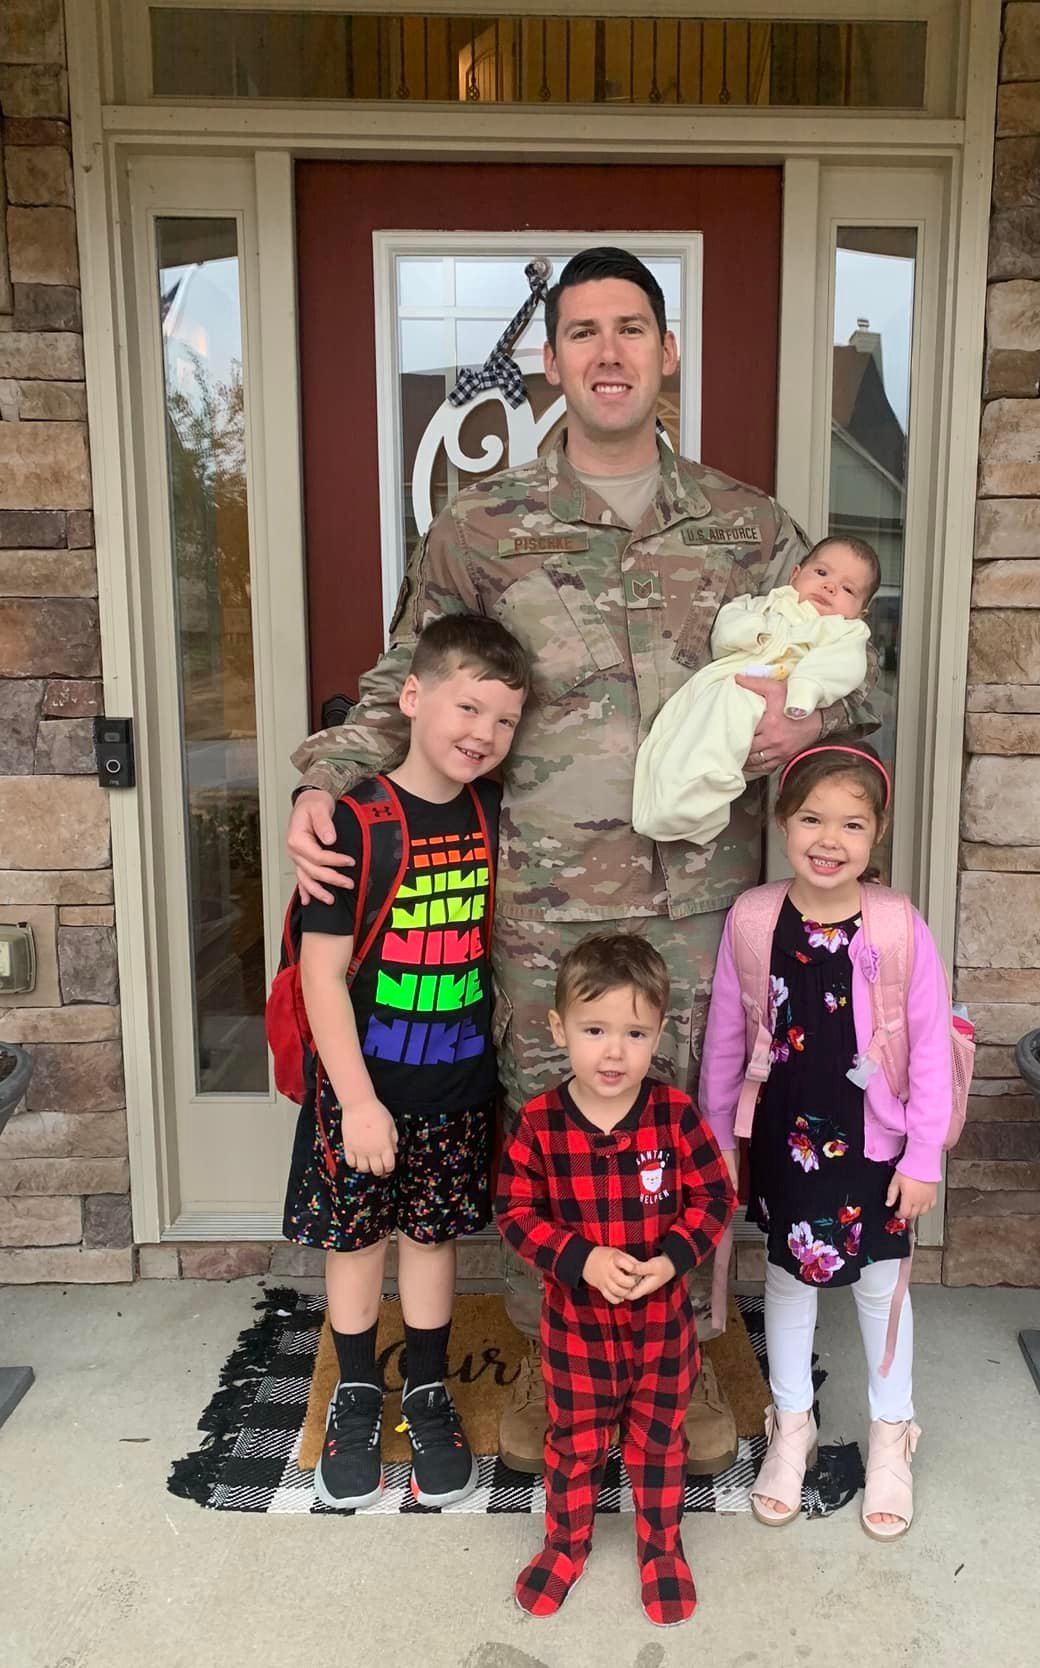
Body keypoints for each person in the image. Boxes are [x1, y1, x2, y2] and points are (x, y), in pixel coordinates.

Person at [285, 245, 876, 1476]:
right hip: (542, 908)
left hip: (701, 910)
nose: (609, 352)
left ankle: (678, 1372)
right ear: (553, 364)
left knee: (687, 1139)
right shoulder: (482, 527)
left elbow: (842, 688)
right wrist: (324, 775)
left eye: (632, 329)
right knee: (553, 1136)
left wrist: (807, 729)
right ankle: (561, 1375)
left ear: (668, 357)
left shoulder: (751, 528)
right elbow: (409, 684)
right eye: (584, 332)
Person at [281, 614, 529, 1509]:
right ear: (414, 698)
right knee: (356, 1244)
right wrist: (356, 1103)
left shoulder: (494, 812)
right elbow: (322, 975)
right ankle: (355, 1392)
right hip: (365, 1090)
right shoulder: (353, 823)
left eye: (504, 720)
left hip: (456, 1084)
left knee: (431, 1239)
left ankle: (426, 1391)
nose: (483, 734)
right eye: (468, 707)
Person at [698, 736, 953, 1539]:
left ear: (875, 836)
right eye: (811, 818)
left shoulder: (897, 926)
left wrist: (922, 1157)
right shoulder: (754, 920)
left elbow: (934, 1053)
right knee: (788, 1281)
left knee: (882, 1287)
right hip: (783, 1139)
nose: (829, 840)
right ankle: (793, 1425)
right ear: (781, 822)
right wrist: (716, 1145)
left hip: (875, 1146)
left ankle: (891, 1434)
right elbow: (726, 1041)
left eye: (851, 824)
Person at [494, 935, 735, 1623]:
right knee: (572, 1443)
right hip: (575, 1331)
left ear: (658, 1033)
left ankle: (660, 1547)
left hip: (661, 1327)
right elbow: (513, 1213)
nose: (613, 1052)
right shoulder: (540, 1125)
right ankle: (564, 1543)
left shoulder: (674, 1116)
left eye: (635, 1033)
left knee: (660, 1443)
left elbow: (714, 1200)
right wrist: (583, 1260)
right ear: (558, 1028)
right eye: (595, 1030)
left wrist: (671, 1259)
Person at [632, 536, 880, 844]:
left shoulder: (844, 631)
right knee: (681, 732)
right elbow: (728, 624)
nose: (830, 587)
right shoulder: (768, 604)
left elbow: (843, 667)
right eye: (821, 573)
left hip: (780, 689)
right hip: (737, 675)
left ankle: (702, 796)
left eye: (848, 589)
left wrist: (805, 691)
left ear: (861, 612)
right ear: (794, 576)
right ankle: (670, 797)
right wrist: (758, 635)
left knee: (734, 717)